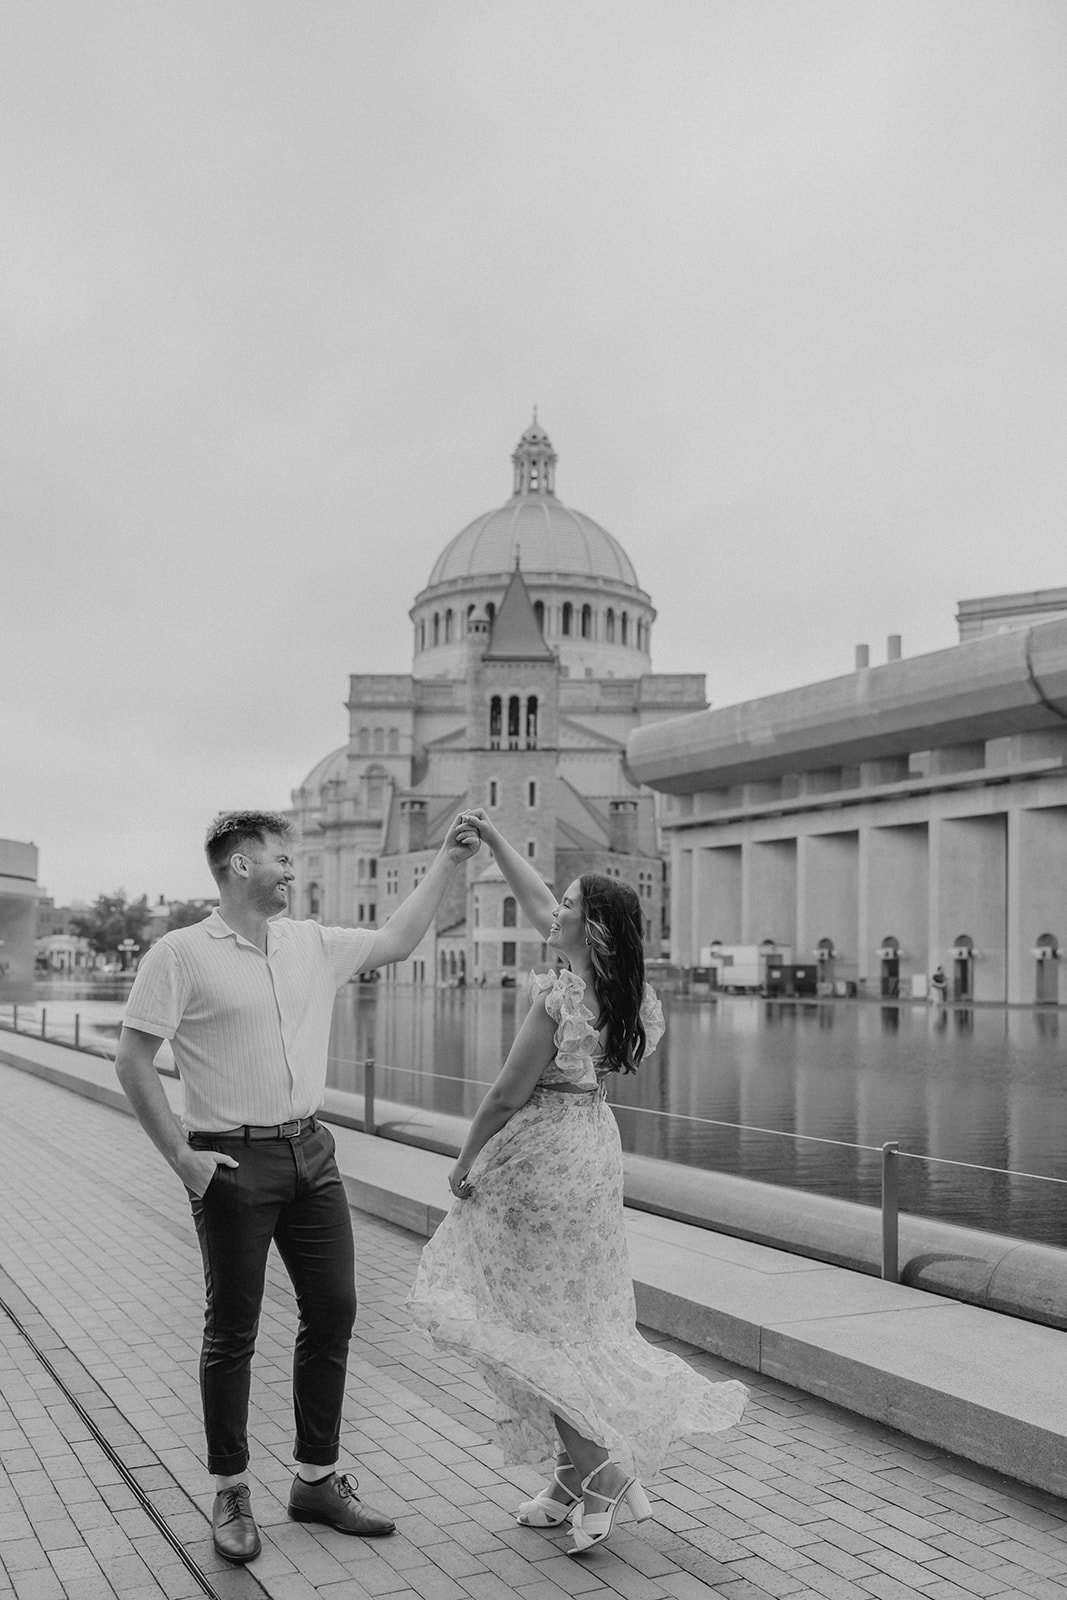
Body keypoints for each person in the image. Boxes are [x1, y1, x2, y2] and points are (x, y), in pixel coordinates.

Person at [115, 808, 479, 1565]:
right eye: (281, 857)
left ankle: (315, 1480)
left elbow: (399, 939)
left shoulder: (310, 942)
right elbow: (132, 1059)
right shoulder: (179, 954)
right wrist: (181, 1156)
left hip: (311, 1154)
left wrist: (446, 860)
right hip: (231, 1162)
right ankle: (230, 1490)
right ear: (239, 866)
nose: (292, 868)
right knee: (233, 1329)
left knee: (335, 1310)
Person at [407, 810, 747, 1557]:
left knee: (533, 1327)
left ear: (588, 929)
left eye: (568, 905)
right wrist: (495, 841)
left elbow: (503, 1094)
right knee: (575, 1317)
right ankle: (568, 1480)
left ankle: (601, 1472)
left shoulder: (558, 999)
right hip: (592, 1149)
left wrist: (465, 1161)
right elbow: (539, 907)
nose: (551, 910)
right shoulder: (628, 996)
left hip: (540, 1155)